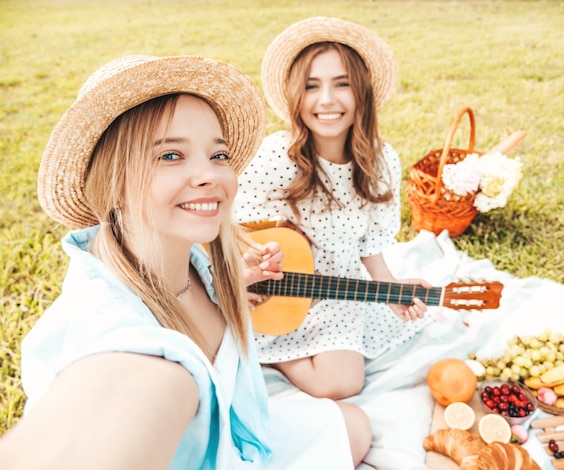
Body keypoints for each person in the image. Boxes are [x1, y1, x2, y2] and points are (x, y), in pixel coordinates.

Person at [0, 55, 364, 469]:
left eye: (218, 155)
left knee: (355, 426)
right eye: (170, 155)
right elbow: (102, 414)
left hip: (236, 439)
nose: (209, 175)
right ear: (114, 181)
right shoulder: (114, 333)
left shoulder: (191, 259)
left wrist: (229, 294)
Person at [235, 17, 432, 402]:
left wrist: (389, 288)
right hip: (271, 290)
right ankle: (273, 351)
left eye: (341, 84)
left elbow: (371, 242)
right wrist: (239, 276)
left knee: (342, 383)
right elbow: (225, 223)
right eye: (311, 86)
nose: (326, 100)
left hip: (336, 290)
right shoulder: (277, 156)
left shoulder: (380, 162)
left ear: (362, 94)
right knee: (335, 382)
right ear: (296, 96)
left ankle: (276, 353)